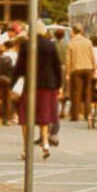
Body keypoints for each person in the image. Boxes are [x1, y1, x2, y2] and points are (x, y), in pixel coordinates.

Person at [14, 22, 63, 160]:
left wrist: (14, 83)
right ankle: (46, 143)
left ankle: (26, 148)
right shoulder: (50, 45)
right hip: (47, 85)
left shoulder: (25, 45)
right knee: (44, 116)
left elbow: (19, 66)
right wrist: (59, 85)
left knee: (25, 117)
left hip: (29, 85)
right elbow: (57, 66)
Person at [65, 24, 96, 123]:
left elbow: (68, 60)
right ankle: (88, 114)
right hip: (88, 68)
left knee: (76, 93)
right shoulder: (88, 42)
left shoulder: (71, 43)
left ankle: (75, 115)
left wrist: (67, 73)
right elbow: (92, 56)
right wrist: (94, 68)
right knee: (88, 92)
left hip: (76, 69)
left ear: (73, 31)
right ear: (81, 31)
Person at [0, 42, 16, 125]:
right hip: (8, 81)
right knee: (8, 100)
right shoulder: (8, 59)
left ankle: (0, 118)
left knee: (0, 100)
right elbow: (11, 70)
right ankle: (8, 118)